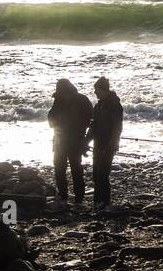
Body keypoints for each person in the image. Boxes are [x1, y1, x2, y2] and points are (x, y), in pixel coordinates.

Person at [48, 78, 94, 208]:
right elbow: (91, 118)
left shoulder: (72, 100)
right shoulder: (80, 99)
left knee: (65, 168)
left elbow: (51, 119)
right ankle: (74, 196)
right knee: (71, 168)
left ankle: (68, 195)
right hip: (67, 139)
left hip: (67, 139)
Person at [87, 75, 124, 205]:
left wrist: (113, 145)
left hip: (108, 144)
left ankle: (105, 201)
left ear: (104, 90)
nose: (95, 93)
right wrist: (86, 141)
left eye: (97, 90)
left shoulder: (114, 106)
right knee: (96, 174)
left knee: (102, 174)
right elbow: (93, 126)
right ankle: (98, 201)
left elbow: (117, 128)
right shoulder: (98, 106)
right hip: (98, 143)